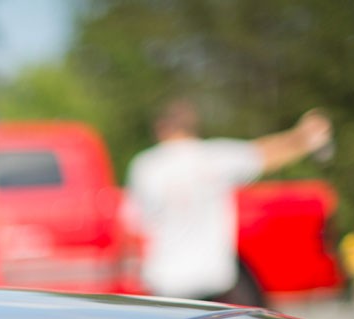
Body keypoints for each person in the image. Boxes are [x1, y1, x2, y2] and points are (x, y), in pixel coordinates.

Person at [125, 99, 332, 302]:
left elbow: (133, 226)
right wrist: (304, 136)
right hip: (213, 279)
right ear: (194, 126)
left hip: (167, 283)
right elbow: (266, 154)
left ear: (160, 127)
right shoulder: (214, 157)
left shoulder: (145, 166)